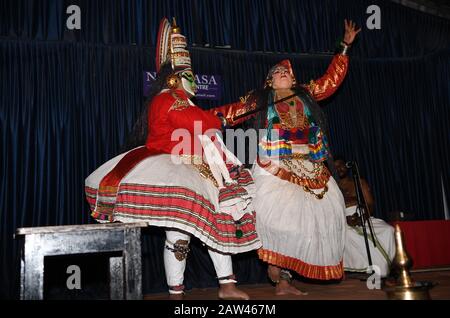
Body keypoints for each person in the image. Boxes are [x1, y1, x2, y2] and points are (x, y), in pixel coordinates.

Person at [85, 18, 261, 300]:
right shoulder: (169, 99)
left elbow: (203, 120)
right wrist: (232, 113)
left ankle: (225, 285)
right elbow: (200, 122)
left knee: (213, 224)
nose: (193, 79)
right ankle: (178, 292)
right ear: (174, 77)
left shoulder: (176, 99)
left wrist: (238, 110)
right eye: (188, 74)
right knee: (182, 234)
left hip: (196, 169)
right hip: (176, 168)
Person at [211, 20, 361, 295]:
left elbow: (331, 81)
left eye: (286, 72)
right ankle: (275, 267)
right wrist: (195, 119)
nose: (282, 73)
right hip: (274, 166)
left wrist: (344, 47)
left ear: (294, 80)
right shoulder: (259, 100)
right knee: (275, 217)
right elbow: (228, 112)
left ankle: (284, 281)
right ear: (269, 81)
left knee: (328, 210)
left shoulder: (307, 94)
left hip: (312, 166)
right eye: (277, 72)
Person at [334, 157, 396, 278]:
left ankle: (389, 266)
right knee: (349, 235)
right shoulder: (331, 186)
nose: (339, 169)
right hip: (341, 220)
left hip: (362, 216)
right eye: (335, 167)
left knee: (389, 230)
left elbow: (370, 204)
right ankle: (360, 269)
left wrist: (361, 218)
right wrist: (344, 219)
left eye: (341, 165)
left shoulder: (359, 182)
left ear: (347, 166)